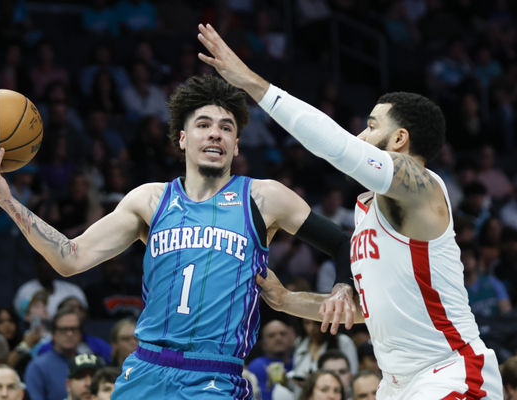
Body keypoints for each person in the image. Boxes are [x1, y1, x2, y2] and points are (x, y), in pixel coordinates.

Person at [0, 73, 355, 398]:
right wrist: (3, 195)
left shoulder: (263, 197)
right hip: (146, 369)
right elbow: (69, 257)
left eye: (226, 128)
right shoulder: (149, 200)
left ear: (236, 145)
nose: (215, 134)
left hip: (214, 377)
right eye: (203, 125)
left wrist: (342, 286)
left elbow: (340, 243)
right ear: (183, 138)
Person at [196, 22, 503, 399]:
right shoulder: (367, 210)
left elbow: (339, 147)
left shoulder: (422, 185)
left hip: (451, 370)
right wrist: (285, 300)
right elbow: (370, 311)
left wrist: (254, 85)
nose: (360, 136)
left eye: (371, 126)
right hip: (397, 384)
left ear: (399, 138)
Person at [24, 309, 99, 400]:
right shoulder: (37, 366)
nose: (69, 334)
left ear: (81, 333)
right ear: (53, 333)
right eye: (64, 329)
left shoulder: (91, 363)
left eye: (74, 329)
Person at [247, 320, 295, 400]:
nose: (278, 338)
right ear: (263, 344)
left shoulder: (300, 360)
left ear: (292, 338)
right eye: (271, 335)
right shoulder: (257, 366)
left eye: (283, 334)